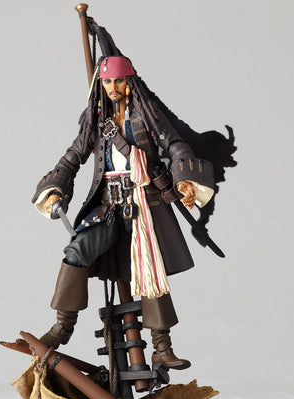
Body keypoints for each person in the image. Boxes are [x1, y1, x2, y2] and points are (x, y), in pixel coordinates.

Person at [14, 56, 215, 370]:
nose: (113, 87)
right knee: (77, 250)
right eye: (107, 81)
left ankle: (161, 347)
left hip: (144, 203)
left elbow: (175, 146)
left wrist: (184, 180)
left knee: (150, 268)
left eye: (118, 80)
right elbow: (73, 157)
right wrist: (55, 187)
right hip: (107, 205)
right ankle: (62, 327)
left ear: (129, 81)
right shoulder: (96, 120)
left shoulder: (147, 115)